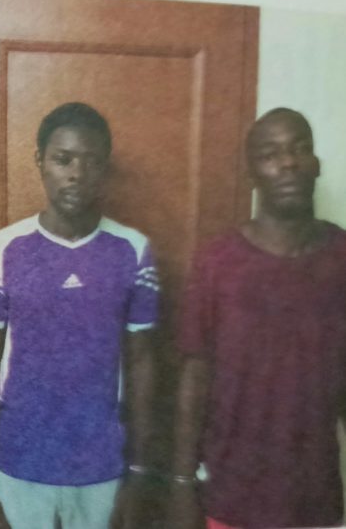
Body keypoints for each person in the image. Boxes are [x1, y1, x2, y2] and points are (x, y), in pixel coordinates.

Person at [0, 102, 158, 529]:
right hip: (19, 464)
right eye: (63, 159)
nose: (76, 174)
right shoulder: (2, 250)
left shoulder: (132, 250)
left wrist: (139, 473)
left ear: (104, 168)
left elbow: (143, 365)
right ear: (40, 161)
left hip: (102, 466)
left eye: (91, 162)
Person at [168, 108, 346, 529]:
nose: (288, 163)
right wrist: (180, 483)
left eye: (300, 149)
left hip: (314, 495)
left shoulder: (340, 256)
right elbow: (194, 377)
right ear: (251, 173)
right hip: (232, 494)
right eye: (271, 154)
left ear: (316, 164)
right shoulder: (218, 262)